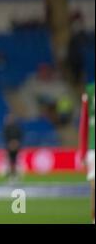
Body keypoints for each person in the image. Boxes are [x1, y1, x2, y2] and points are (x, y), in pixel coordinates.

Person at [78, 82, 95, 224]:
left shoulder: (89, 91)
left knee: (94, 187)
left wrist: (83, 152)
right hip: (92, 148)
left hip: (92, 149)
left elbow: (83, 124)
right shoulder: (89, 91)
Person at [3, 114, 23, 182]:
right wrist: (10, 143)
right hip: (9, 146)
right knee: (10, 161)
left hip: (16, 146)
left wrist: (16, 143)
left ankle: (17, 174)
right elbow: (5, 136)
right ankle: (11, 175)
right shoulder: (7, 128)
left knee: (16, 161)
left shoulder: (17, 127)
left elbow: (20, 135)